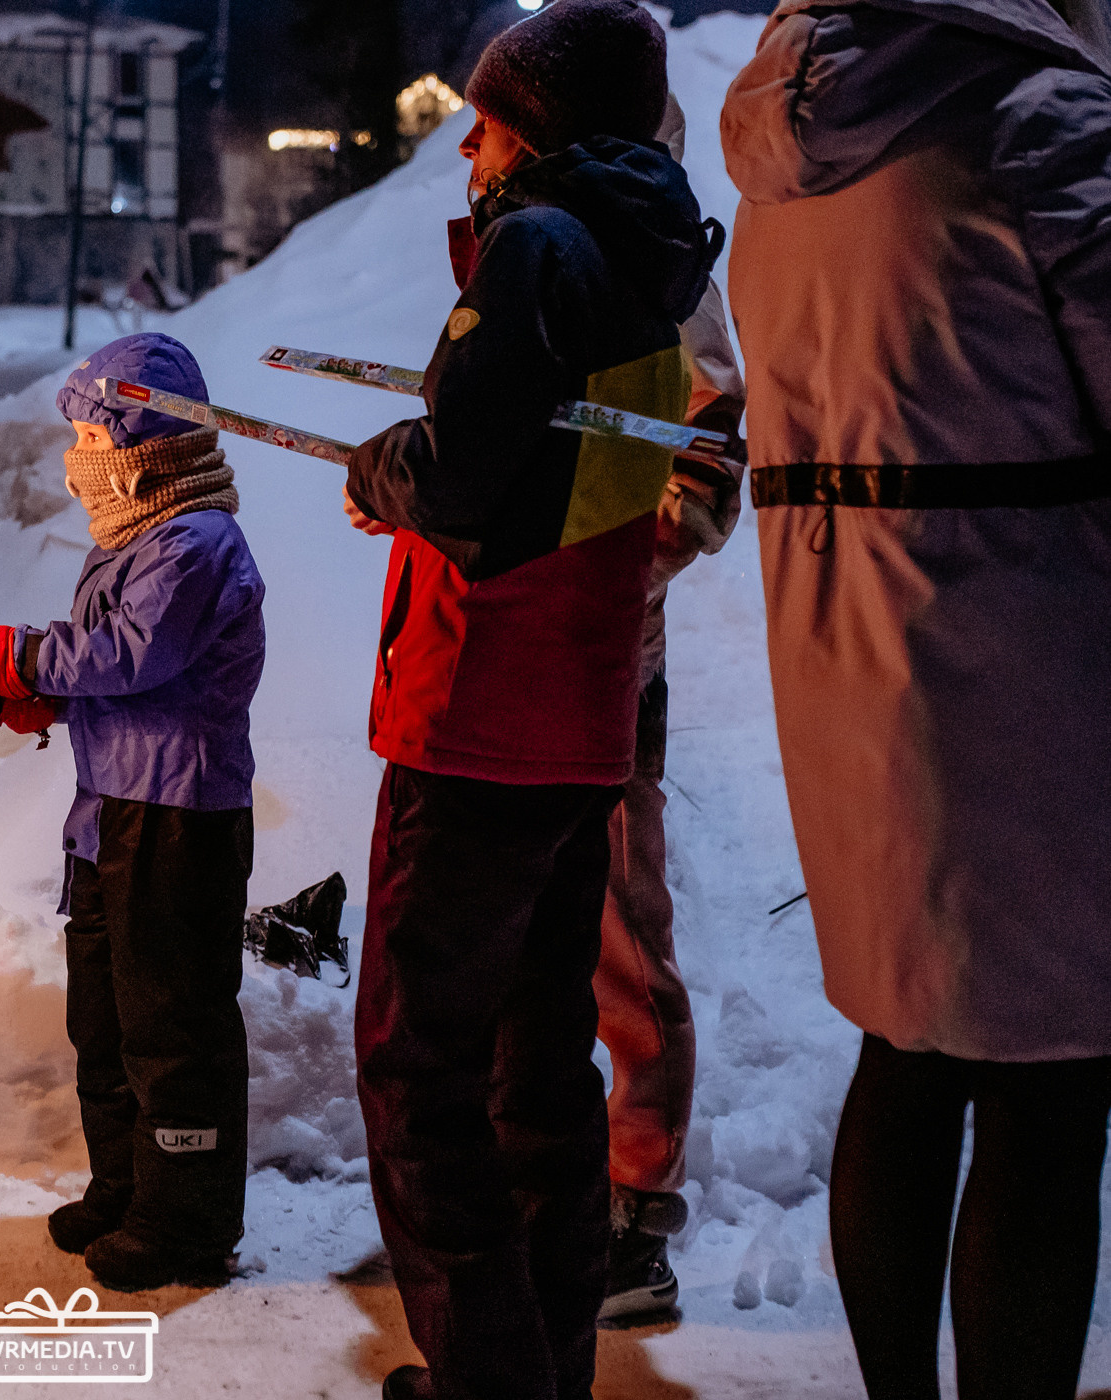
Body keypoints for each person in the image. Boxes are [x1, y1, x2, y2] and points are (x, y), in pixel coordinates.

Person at [721, 0, 1111, 1394]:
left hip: (849, 665)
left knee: (907, 1049)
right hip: (1036, 674)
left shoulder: (779, 156)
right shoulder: (1039, 121)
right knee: (1050, 1093)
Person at [338, 0, 721, 1393]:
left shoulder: (541, 244)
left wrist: (386, 465)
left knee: (416, 1073)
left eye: (487, 125)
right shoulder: (644, 254)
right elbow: (559, 476)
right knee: (537, 1070)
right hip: (579, 719)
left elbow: (461, 487)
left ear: (541, 126)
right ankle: (542, 1367)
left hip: (479, 721)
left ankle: (489, 1377)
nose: (469, 157)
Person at [0, 331, 266, 1292]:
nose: (79, 462)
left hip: (180, 820)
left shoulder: (195, 544)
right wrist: (37, 698)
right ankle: (128, 1186)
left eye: (95, 441)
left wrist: (11, 657)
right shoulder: (135, 541)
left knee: (171, 1024)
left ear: (146, 445)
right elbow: (104, 668)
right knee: (102, 1018)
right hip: (112, 811)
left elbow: (132, 653)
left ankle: (185, 1222)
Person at [596, 94, 750, 1325]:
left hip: (602, 660)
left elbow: (707, 457)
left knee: (619, 942)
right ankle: (549, 1187)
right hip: (502, 662)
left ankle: (634, 1217)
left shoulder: (665, 267)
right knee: (533, 936)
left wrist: (619, 563)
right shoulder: (528, 247)